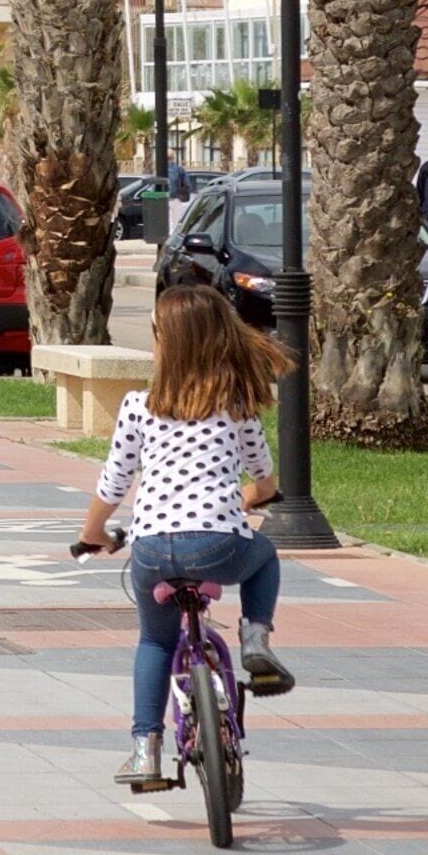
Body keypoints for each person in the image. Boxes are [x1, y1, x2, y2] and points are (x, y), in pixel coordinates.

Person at [80, 284, 299, 790]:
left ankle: (144, 751)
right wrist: (239, 501)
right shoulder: (236, 404)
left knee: (154, 642)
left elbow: (113, 484)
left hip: (152, 548)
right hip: (218, 545)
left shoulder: (138, 406)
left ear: (168, 344)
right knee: (264, 556)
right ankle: (255, 639)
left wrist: (91, 534)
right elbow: (264, 482)